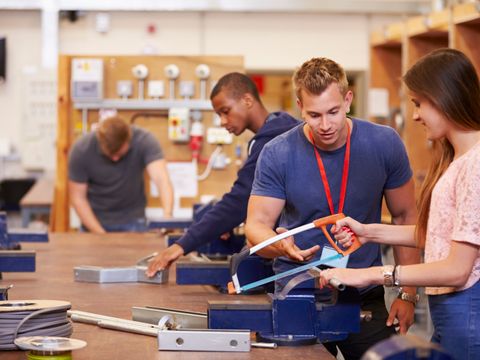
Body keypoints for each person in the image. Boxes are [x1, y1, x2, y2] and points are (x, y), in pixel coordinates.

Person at [245, 57, 420, 360]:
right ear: (299, 105)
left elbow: (406, 217)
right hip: (297, 295)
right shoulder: (278, 152)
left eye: (333, 112)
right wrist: (279, 246)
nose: (325, 125)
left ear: (348, 99)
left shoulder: (385, 144)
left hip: (365, 293)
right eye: (314, 115)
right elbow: (256, 226)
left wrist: (408, 294)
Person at [319, 48, 480, 360]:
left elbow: (458, 269)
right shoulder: (456, 160)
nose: (416, 115)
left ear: (445, 97)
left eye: (420, 103)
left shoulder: (475, 165)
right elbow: (437, 236)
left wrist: (374, 274)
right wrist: (369, 232)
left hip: (466, 310)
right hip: (450, 311)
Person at [146, 72, 300, 276]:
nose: (222, 120)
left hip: (297, 252)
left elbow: (238, 200)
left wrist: (181, 246)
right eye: (219, 114)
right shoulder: (274, 133)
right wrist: (230, 220)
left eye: (225, 111)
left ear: (247, 100)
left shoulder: (271, 142)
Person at [68, 116, 173, 233]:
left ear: (128, 139)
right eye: (110, 154)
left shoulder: (144, 140)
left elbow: (161, 180)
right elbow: (78, 198)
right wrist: (100, 234)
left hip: (133, 221)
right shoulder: (81, 150)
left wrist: (167, 217)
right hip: (94, 221)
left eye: (119, 153)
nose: (115, 158)